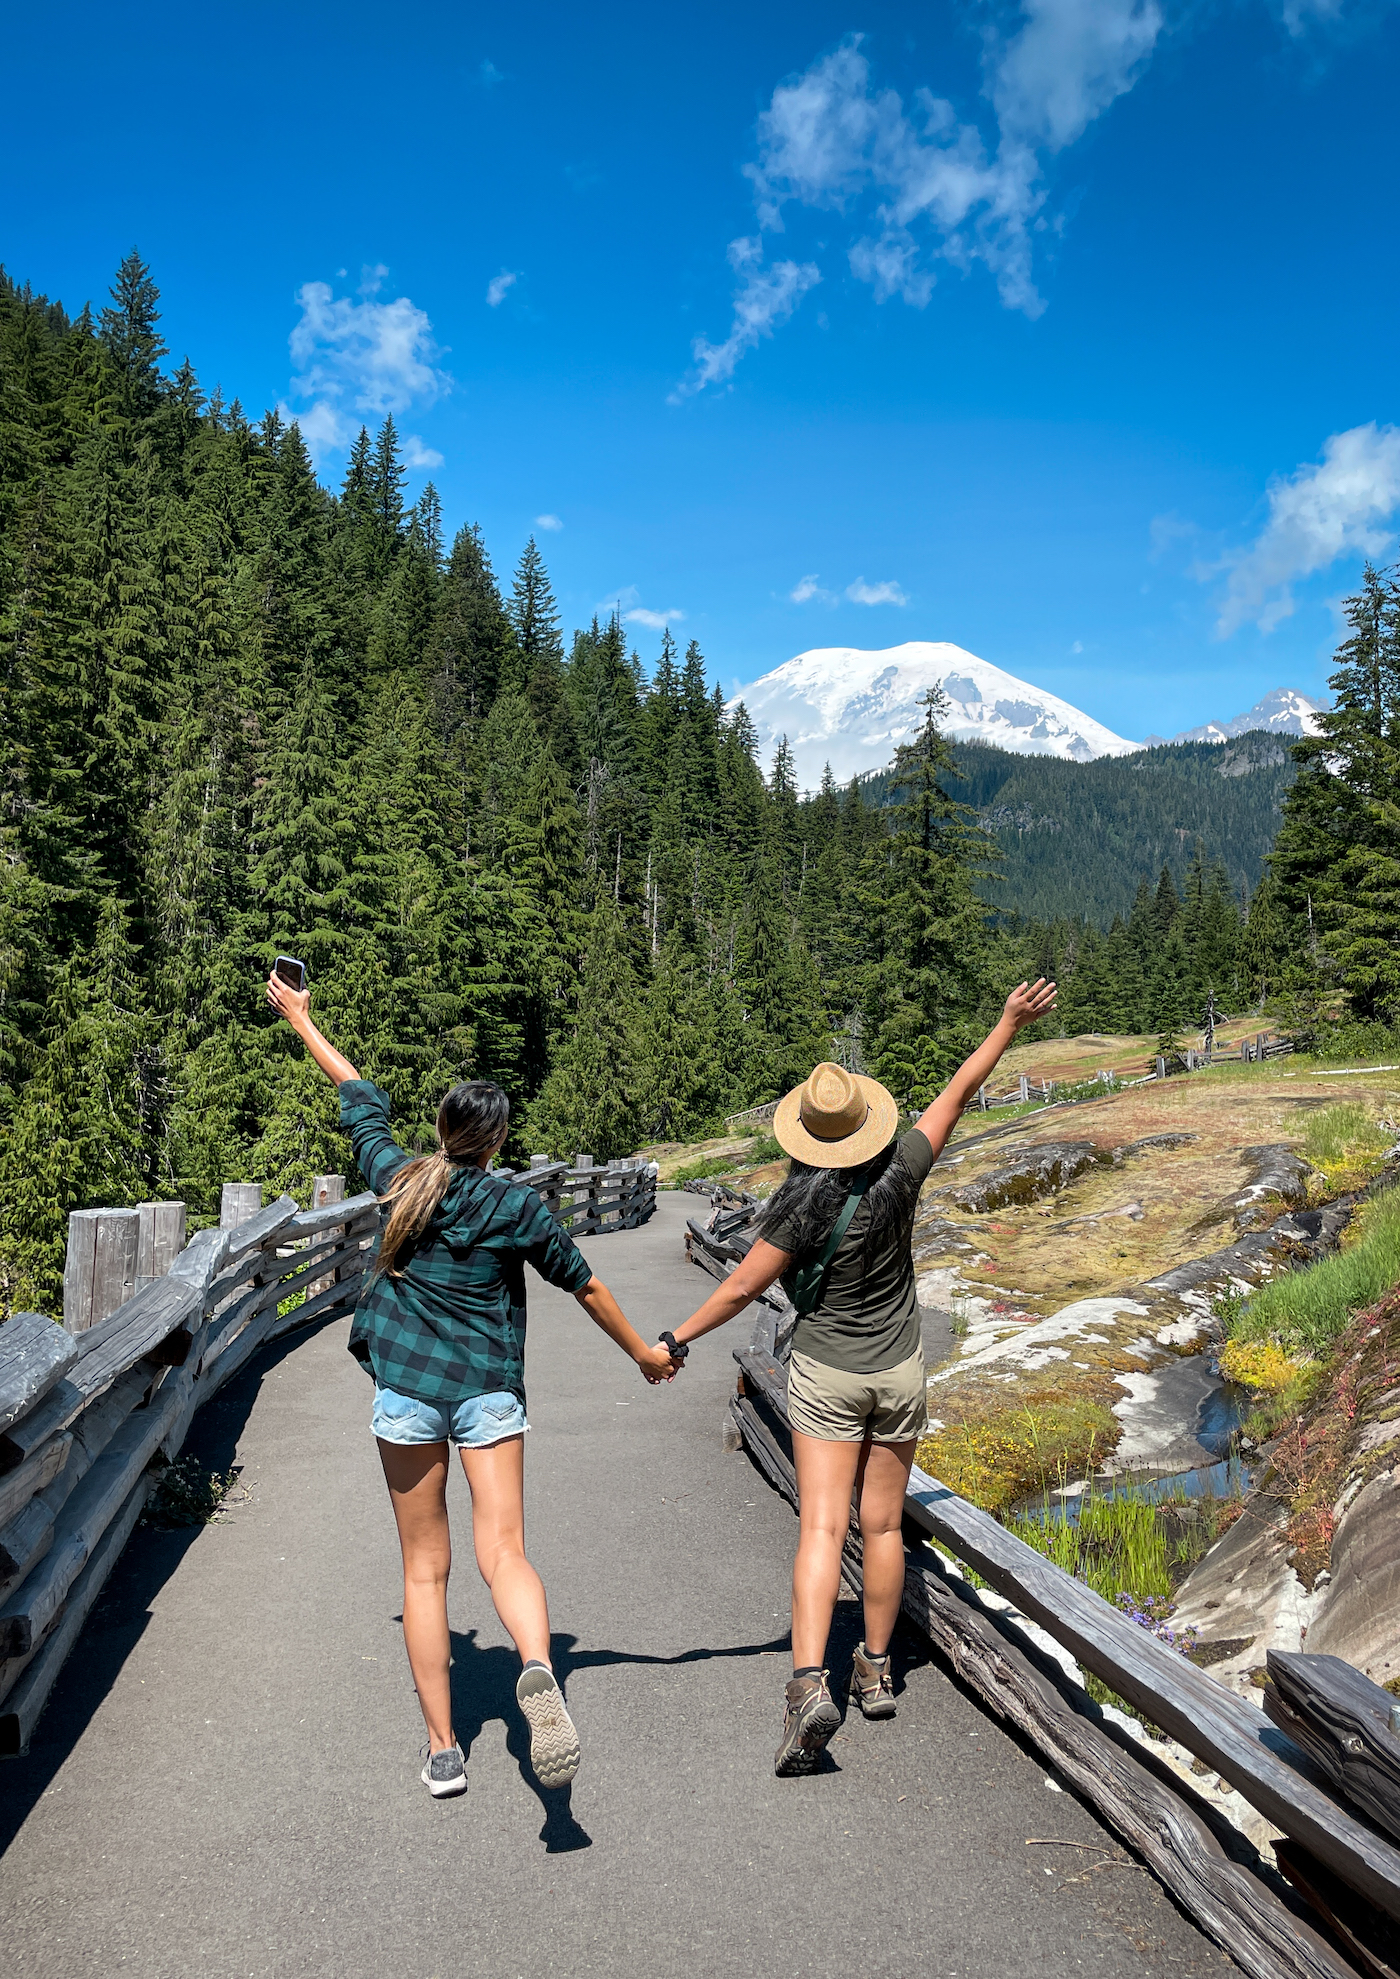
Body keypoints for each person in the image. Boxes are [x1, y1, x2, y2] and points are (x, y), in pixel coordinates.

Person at [266, 971, 679, 1799]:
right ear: (495, 1143)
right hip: (489, 1390)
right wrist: (643, 1352)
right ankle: (535, 1663)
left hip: (406, 1394)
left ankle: (445, 1750)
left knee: (426, 1570)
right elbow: (585, 1284)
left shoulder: (398, 1176)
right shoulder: (513, 1206)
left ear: (443, 1130)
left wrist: (304, 1020)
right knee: (505, 1551)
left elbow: (356, 1094)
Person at [663, 980, 1057, 1776]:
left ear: (809, 1131)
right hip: (900, 1369)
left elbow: (742, 1287)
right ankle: (875, 1668)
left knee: (821, 1529)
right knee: (882, 1527)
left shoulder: (801, 1201)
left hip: (828, 1373)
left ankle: (808, 1682)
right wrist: (1008, 1023)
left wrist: (674, 1338)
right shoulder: (904, 1166)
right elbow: (960, 1087)